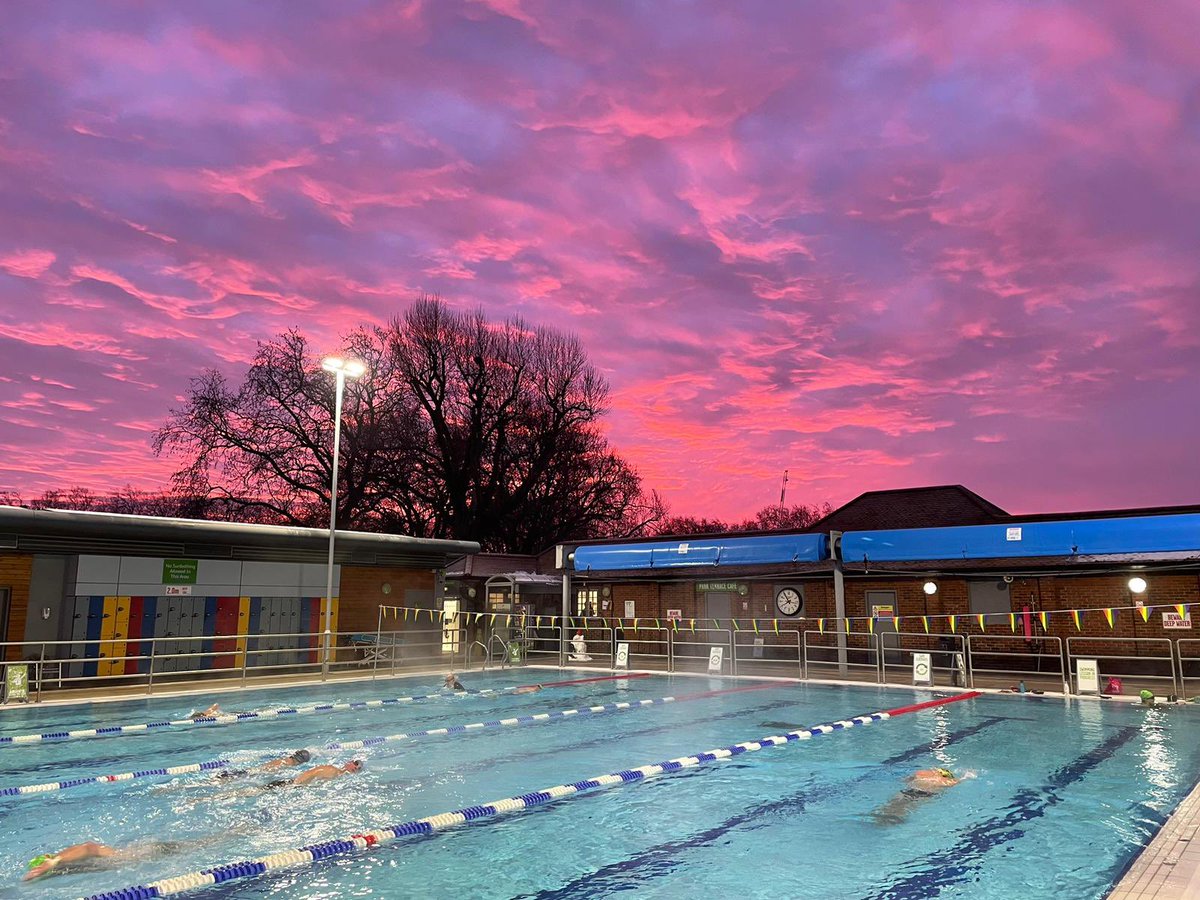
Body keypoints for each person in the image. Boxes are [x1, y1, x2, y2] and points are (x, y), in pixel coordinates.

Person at [23, 837, 203, 882]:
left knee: (204, 844)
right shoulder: (67, 865)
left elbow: (89, 846)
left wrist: (54, 861)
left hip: (153, 852)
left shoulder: (63, 859)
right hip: (143, 855)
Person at [872, 767, 961, 825]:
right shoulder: (945, 781)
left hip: (908, 791)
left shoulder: (920, 773)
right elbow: (956, 783)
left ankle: (879, 815)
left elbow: (905, 780)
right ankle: (893, 820)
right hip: (925, 794)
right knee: (907, 807)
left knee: (894, 803)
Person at [263, 759, 363, 790]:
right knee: (253, 792)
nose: (356, 768)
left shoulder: (337, 774)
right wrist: (294, 786)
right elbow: (312, 774)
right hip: (287, 785)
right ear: (349, 762)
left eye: (358, 769)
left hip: (291, 785)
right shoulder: (332, 770)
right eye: (355, 764)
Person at [215, 749, 312, 780]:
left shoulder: (286, 760)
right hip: (253, 773)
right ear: (300, 761)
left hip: (252, 770)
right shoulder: (288, 764)